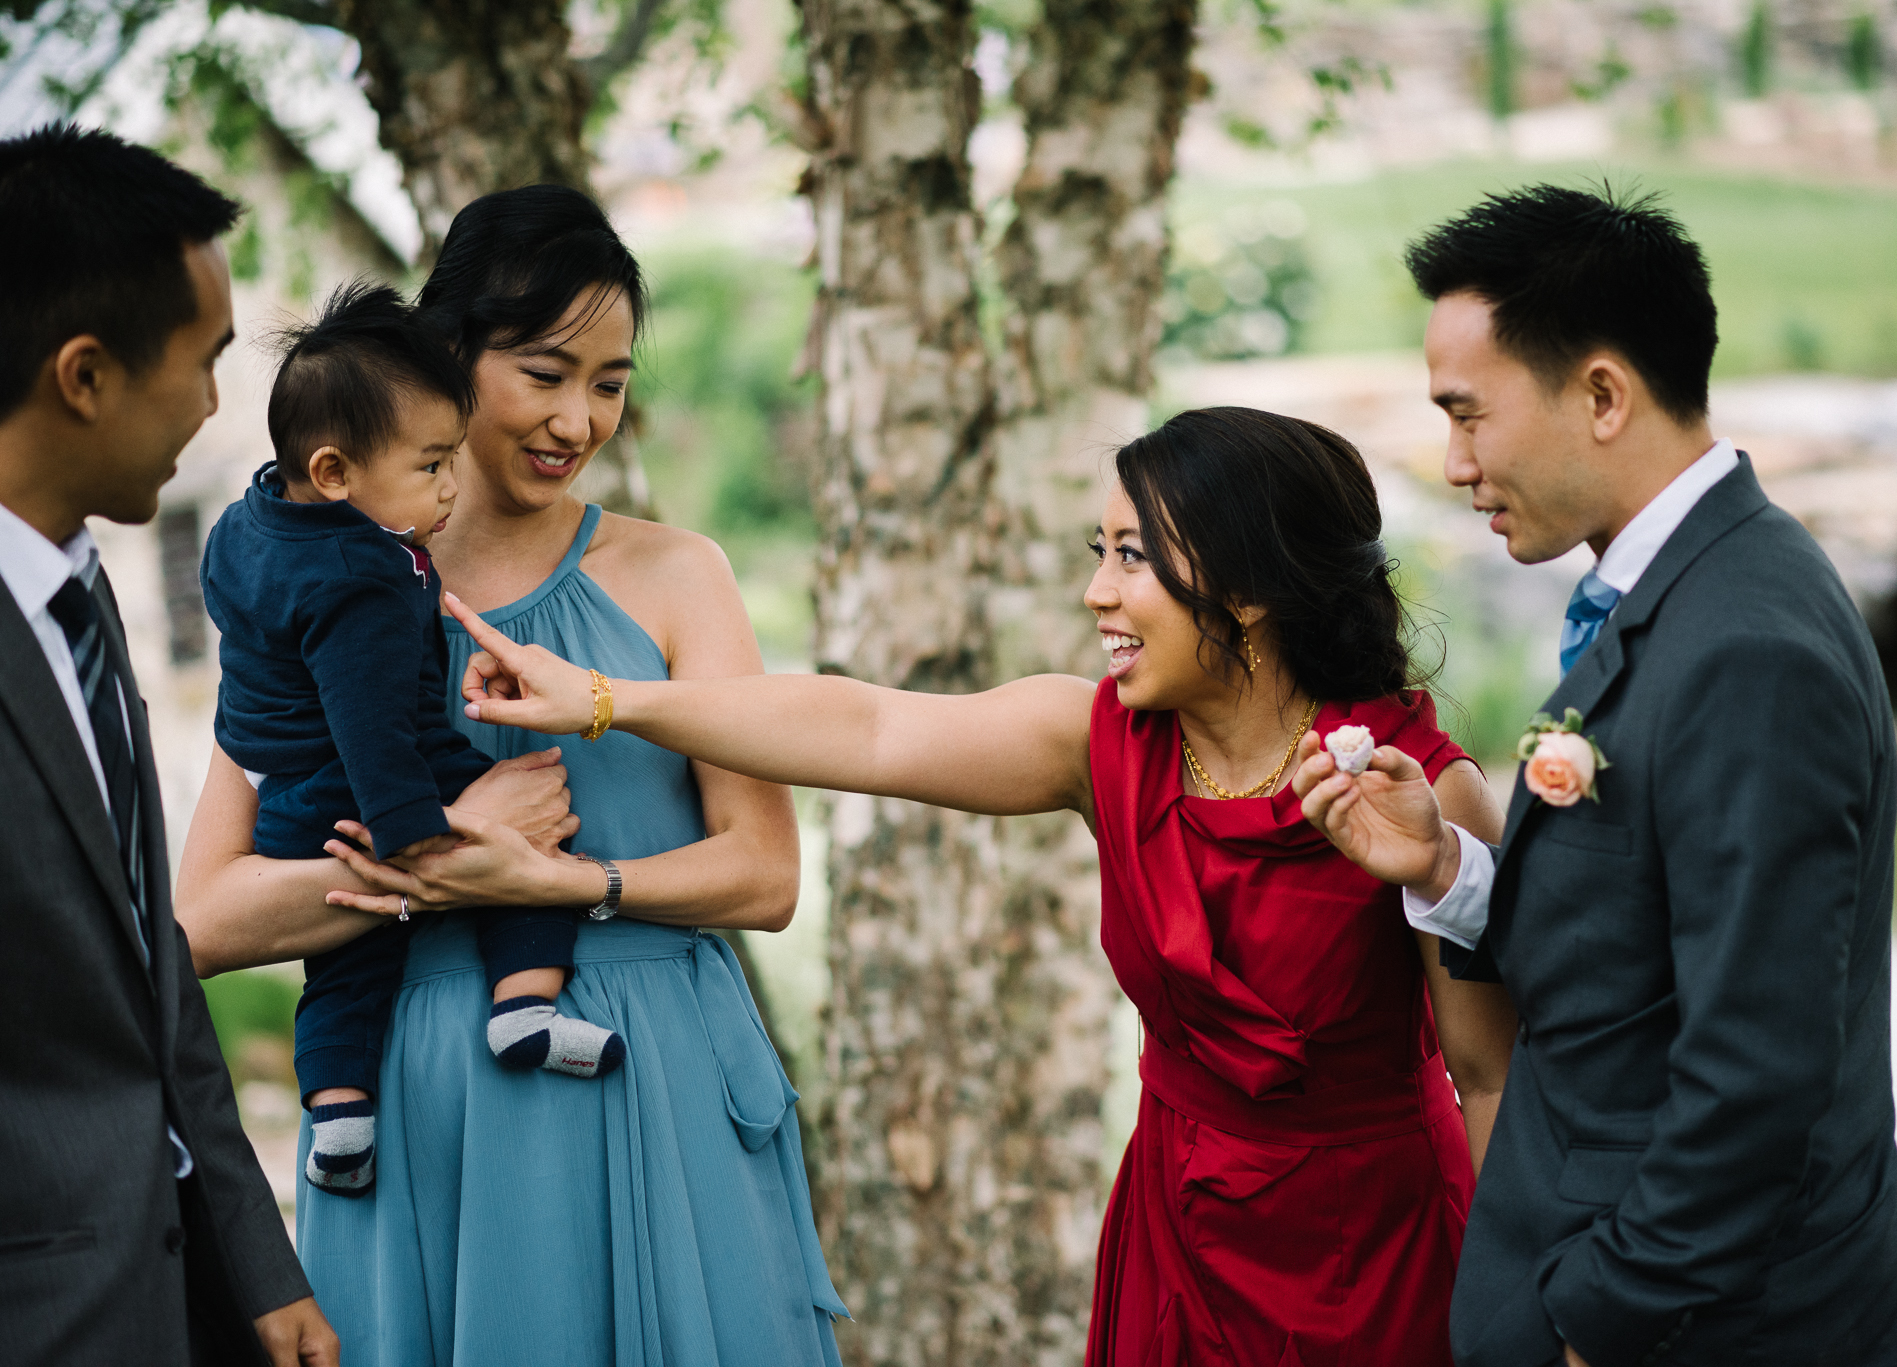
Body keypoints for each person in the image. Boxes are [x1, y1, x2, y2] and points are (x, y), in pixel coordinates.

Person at [438, 405, 1521, 1365]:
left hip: (1377, 1251)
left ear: (1245, 593)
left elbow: (1490, 1076)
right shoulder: (1100, 742)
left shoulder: (1419, 792)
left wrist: (1518, 1306)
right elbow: (868, 725)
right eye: (1096, 550)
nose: (1095, 590)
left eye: (1134, 558)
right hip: (1178, 1231)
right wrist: (601, 697)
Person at [177, 185, 844, 1365]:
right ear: (450, 357)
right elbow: (204, 918)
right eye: (544, 371)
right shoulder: (312, 586)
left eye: (610, 381)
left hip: (654, 1079)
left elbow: (764, 872)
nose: (578, 419)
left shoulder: (679, 574)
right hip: (409, 1098)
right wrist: (435, 866)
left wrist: (556, 884)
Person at [1289, 185, 1897, 1367]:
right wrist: (1445, 866)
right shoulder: (1695, 583)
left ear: (1599, 393)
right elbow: (1640, 939)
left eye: (1468, 417)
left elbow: (1755, 1072)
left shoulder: (1745, 647)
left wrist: (1592, 1322)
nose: (1453, 463)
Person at [0, 124, 337, 1365]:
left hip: (183, 1301)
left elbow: (153, 985)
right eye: (200, 363)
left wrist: (256, 1263)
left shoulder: (82, 600)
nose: (213, 403)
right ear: (83, 374)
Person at [202, 282, 624, 1200]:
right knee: (535, 844)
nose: (450, 484)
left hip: (286, 789)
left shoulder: (247, 524)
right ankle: (525, 1006)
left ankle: (340, 1115)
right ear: (334, 473)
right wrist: (430, 836)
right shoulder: (364, 575)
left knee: (347, 965)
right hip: (370, 782)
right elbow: (370, 722)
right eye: (431, 465)